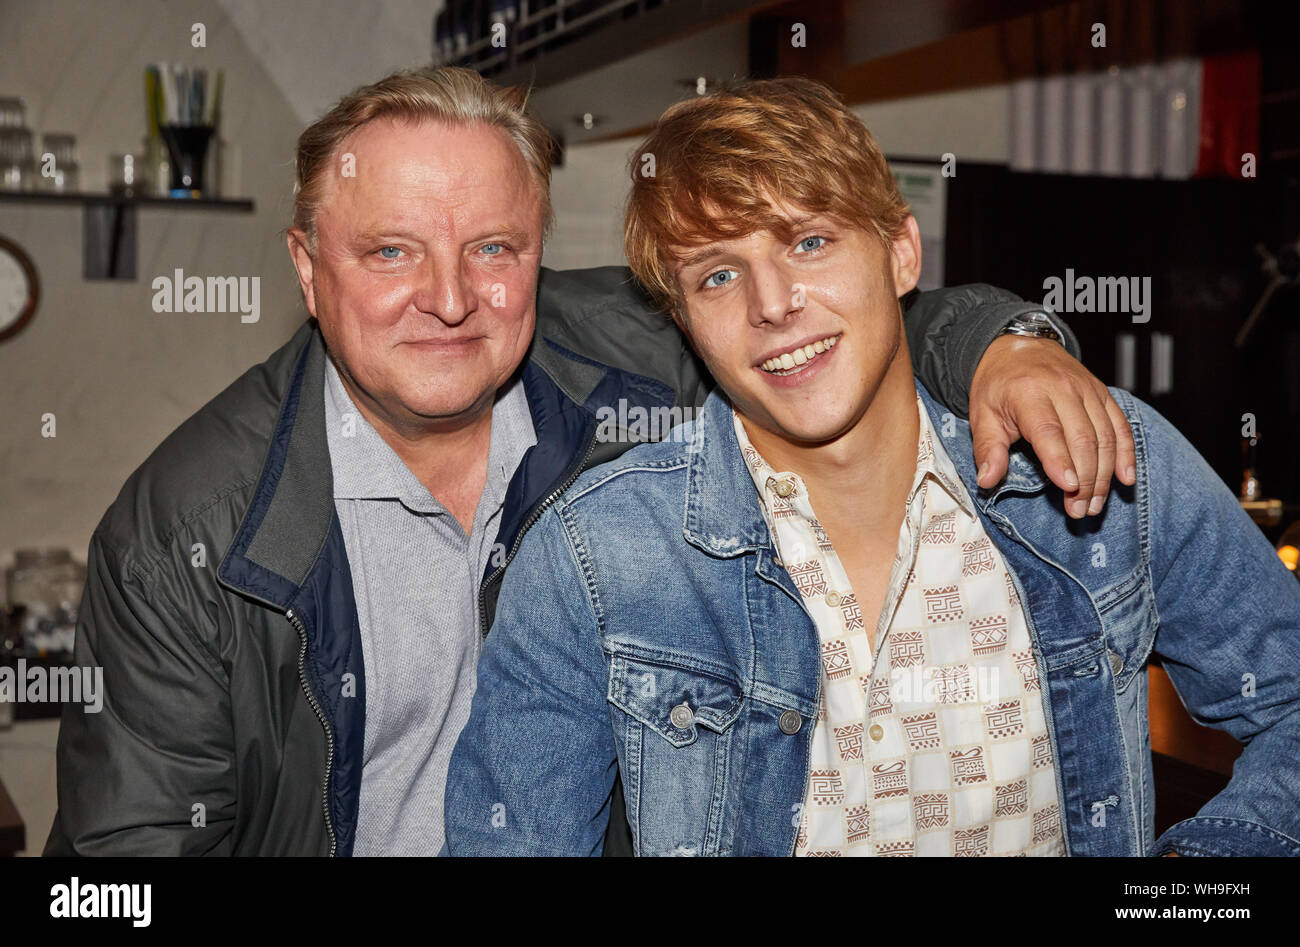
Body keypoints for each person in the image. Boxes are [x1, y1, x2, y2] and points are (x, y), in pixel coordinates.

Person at [47, 68, 1131, 856]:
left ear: (538, 250)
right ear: (305, 265)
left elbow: (846, 321)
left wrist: (1008, 345)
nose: (449, 297)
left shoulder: (629, 352)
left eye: (493, 249)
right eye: (389, 251)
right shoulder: (186, 527)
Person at [443, 76, 1300, 857]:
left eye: (810, 242)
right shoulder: (595, 556)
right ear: (685, 320)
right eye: (716, 276)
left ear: (902, 253)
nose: (773, 304)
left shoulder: (1095, 456)